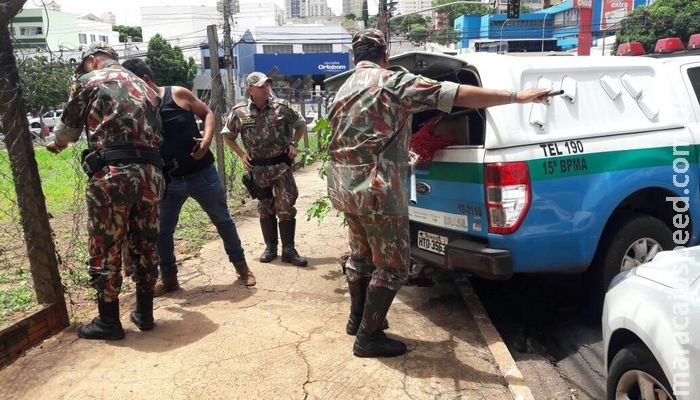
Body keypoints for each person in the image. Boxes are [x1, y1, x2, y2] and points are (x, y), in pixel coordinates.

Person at [327, 28, 551, 358]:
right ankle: (368, 337)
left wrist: (400, 156)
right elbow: (457, 94)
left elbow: (361, 140)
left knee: (360, 258)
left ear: (355, 57)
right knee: (393, 268)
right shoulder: (392, 81)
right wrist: (516, 97)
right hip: (378, 191)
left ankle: (357, 319)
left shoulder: (342, 90)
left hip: (344, 188)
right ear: (384, 57)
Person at [46, 42, 165, 340]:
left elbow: (66, 132)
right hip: (151, 175)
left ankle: (109, 322)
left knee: (106, 246)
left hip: (113, 176)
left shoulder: (89, 81)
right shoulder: (146, 87)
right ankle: (145, 314)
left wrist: (56, 145)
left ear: (91, 61)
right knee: (146, 244)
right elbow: (156, 132)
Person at [122, 59, 256, 293]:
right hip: (169, 181)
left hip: (202, 174)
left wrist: (206, 141)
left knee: (223, 221)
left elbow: (208, 114)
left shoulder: (177, 94)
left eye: (131, 85)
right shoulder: (138, 108)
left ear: (144, 80)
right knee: (163, 231)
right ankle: (170, 277)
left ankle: (242, 268)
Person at [222, 72, 308, 267]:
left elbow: (300, 124)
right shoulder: (239, 112)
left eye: (267, 85)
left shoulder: (282, 107)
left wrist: (294, 142)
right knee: (265, 207)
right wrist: (242, 155)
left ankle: (289, 250)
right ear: (250, 89)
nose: (266, 88)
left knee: (286, 207)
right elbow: (227, 136)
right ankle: (271, 247)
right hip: (258, 169)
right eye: (261, 86)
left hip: (282, 165)